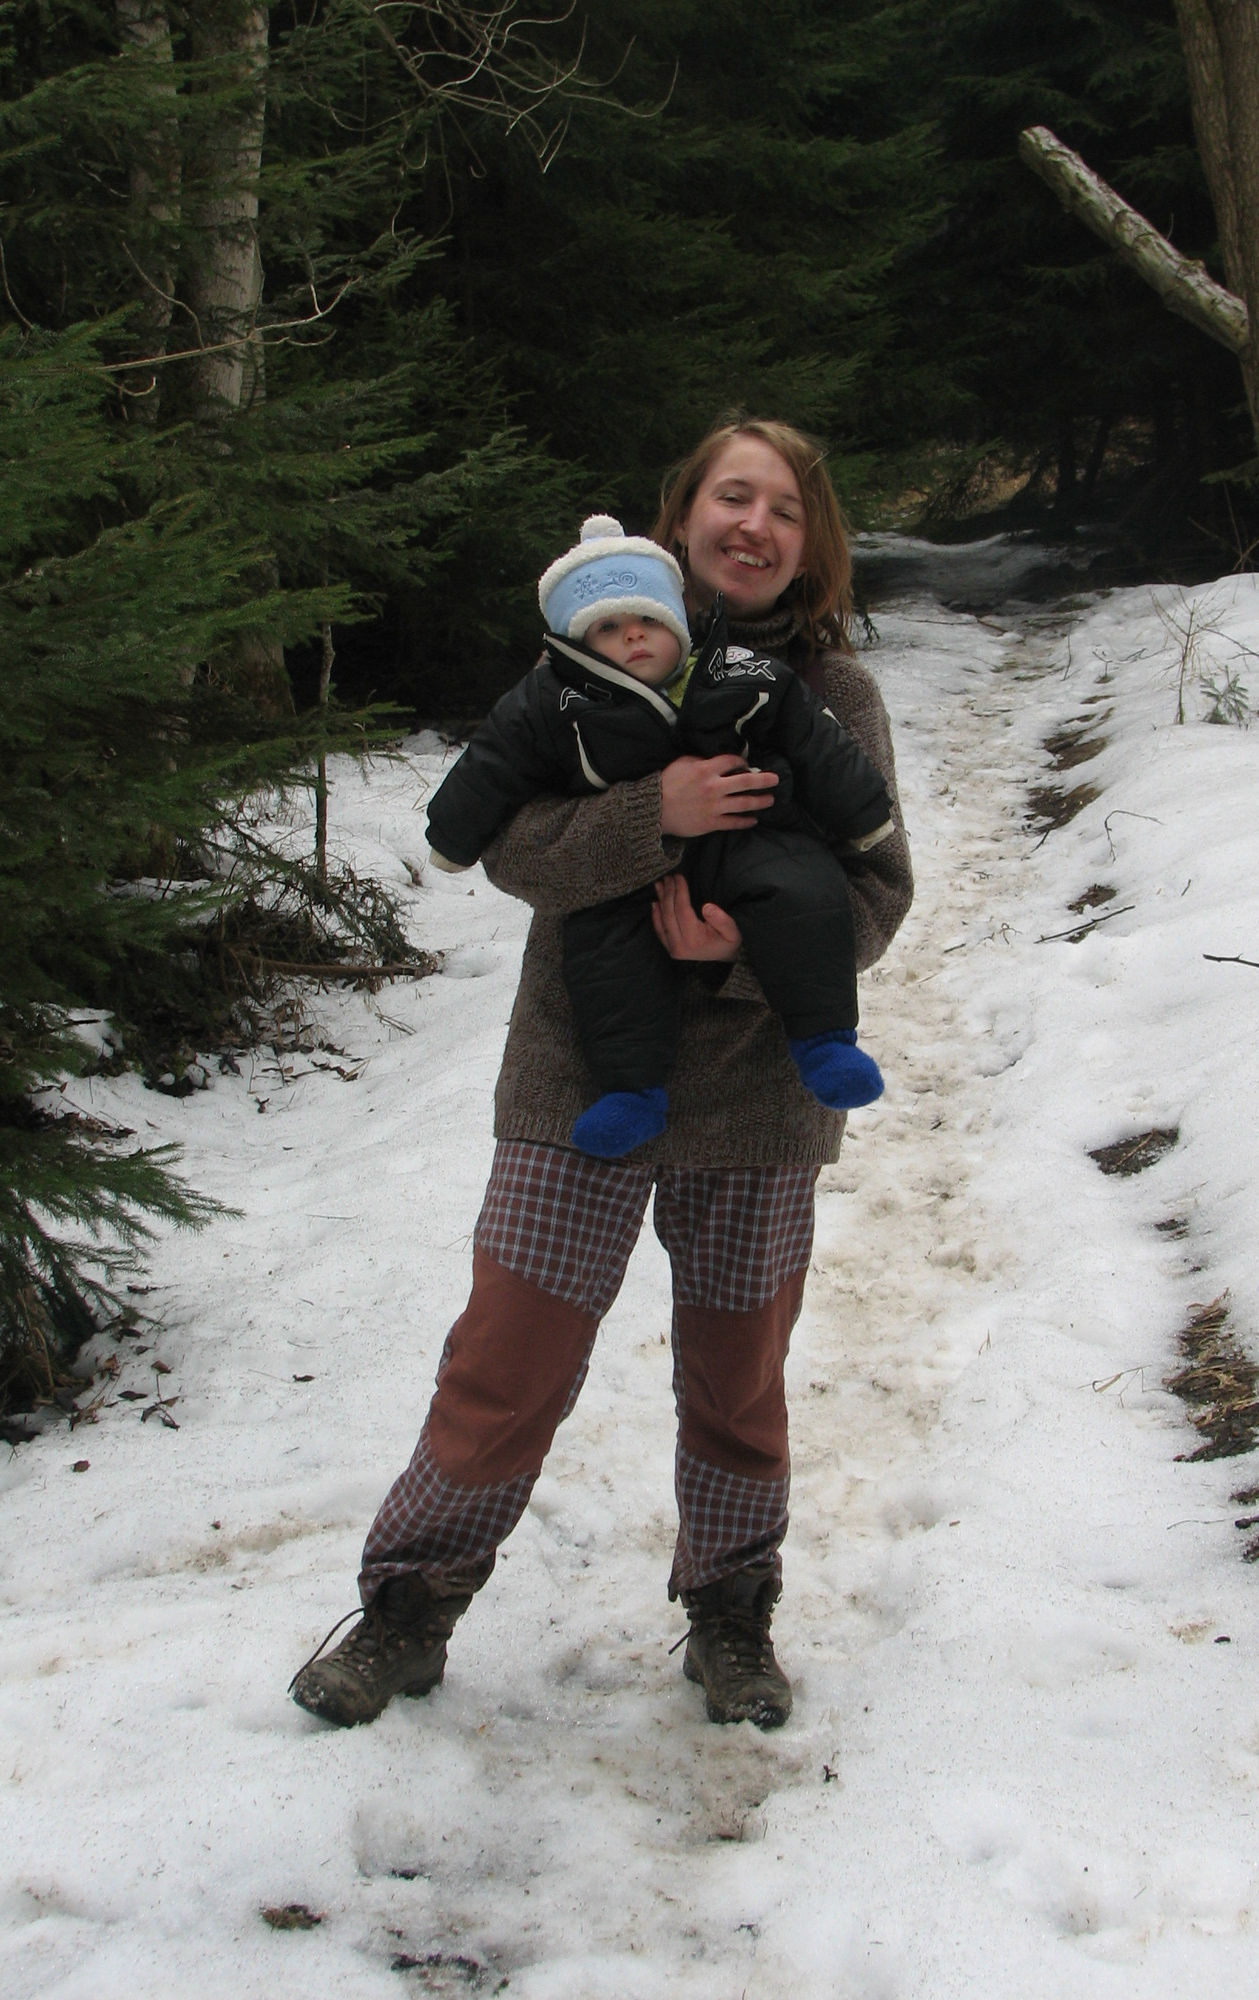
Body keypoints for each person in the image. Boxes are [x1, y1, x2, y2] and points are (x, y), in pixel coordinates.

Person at [290, 417, 913, 1733]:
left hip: (761, 1089)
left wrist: (750, 952)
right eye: (732, 497)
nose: (753, 525)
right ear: (681, 516)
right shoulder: (590, 654)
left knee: (737, 1376)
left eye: (783, 508)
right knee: (506, 1357)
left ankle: (732, 1611)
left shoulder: (835, 695)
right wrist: (654, 816)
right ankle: (408, 1606)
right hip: (578, 1072)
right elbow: (510, 846)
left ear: (812, 545)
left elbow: (877, 893)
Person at [422, 513, 895, 1158]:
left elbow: (817, 744)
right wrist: (455, 837)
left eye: (648, 618)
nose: (633, 636)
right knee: (605, 952)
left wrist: (864, 816)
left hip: (748, 853)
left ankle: (825, 1041)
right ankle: (630, 1091)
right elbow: (492, 771)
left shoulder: (746, 673)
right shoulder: (553, 698)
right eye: (606, 628)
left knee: (803, 888)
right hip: (620, 897)